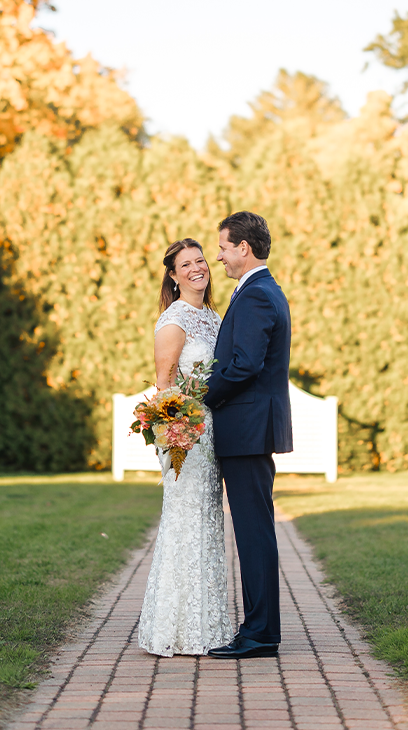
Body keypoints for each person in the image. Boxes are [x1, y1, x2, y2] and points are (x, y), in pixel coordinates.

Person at [136, 238, 234, 657]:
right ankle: (173, 627)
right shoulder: (174, 319)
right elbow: (164, 384)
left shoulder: (211, 316)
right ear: (173, 277)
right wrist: (179, 434)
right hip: (185, 436)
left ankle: (206, 623)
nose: (197, 268)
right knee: (184, 521)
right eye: (186, 265)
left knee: (207, 522)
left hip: (210, 434)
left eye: (201, 261)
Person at [205, 211, 293, 659]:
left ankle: (260, 634)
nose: (217, 255)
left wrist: (204, 393)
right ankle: (261, 629)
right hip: (249, 430)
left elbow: (245, 364)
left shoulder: (258, 294)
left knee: (254, 534)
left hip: (247, 430)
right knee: (254, 532)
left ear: (244, 247)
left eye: (222, 247)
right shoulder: (259, 290)